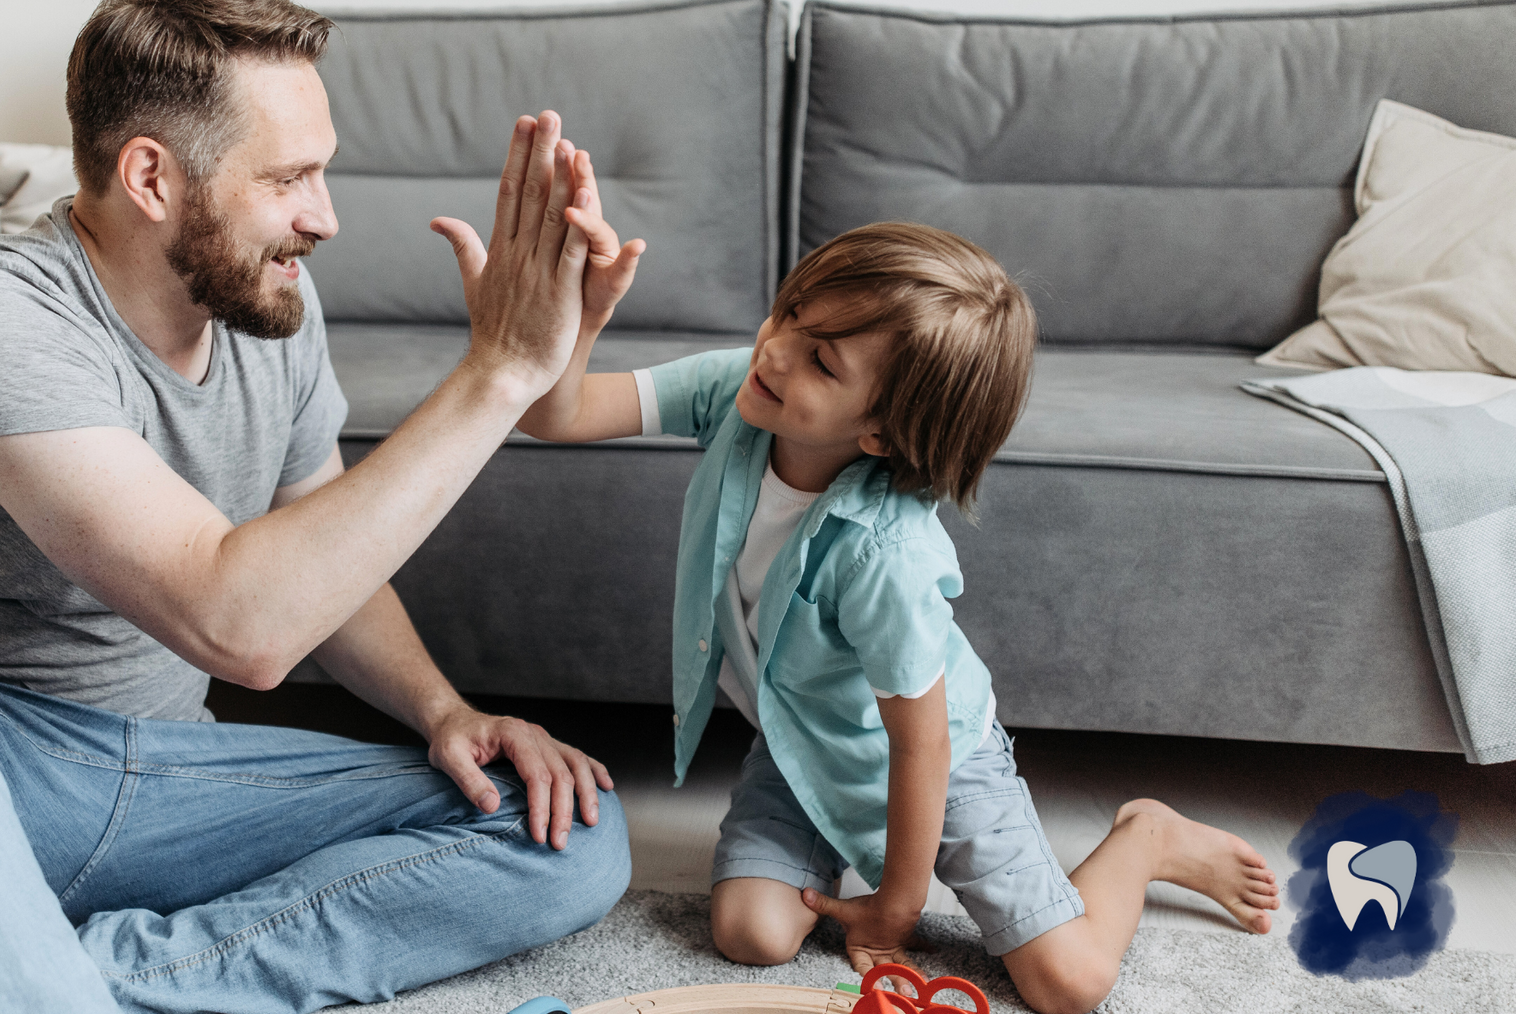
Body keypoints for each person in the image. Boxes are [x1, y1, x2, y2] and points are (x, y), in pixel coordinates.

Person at [0, 0, 645, 1014]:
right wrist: (500, 372)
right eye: (290, 178)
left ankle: (95, 980)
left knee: (564, 823)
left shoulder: (272, 302)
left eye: (322, 175)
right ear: (152, 177)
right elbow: (240, 624)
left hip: (167, 786)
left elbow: (314, 557)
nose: (323, 218)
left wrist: (445, 711)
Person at [515, 221, 1283, 1014]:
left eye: (821, 359)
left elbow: (922, 744)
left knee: (1070, 985)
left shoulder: (885, 553)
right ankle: (832, 850)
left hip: (941, 767)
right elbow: (552, 413)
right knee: (751, 934)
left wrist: (896, 903)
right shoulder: (738, 390)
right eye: (792, 314)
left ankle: (1146, 837)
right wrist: (587, 316)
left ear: (880, 431)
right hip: (802, 745)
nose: (775, 349)